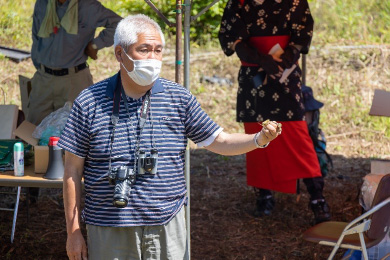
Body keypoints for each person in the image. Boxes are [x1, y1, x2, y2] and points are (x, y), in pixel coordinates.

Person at [58, 14, 281, 259]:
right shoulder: (89, 102)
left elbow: (220, 141)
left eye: (158, 50)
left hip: (166, 225)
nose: (153, 58)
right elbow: (72, 170)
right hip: (109, 227)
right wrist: (74, 232)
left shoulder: (178, 98)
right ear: (120, 54)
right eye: (144, 49)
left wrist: (259, 139)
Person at [218, 0, 331, 224]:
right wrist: (261, 59)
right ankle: (264, 195)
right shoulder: (239, 2)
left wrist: (287, 57)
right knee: (257, 136)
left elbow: (302, 32)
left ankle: (317, 198)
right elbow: (232, 39)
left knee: (297, 135)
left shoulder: (295, 1)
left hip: (285, 73)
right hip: (253, 77)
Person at [28, 0, 122, 203]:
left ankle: (79, 193)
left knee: (79, 135)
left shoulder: (89, 6)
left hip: (74, 77)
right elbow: (36, 35)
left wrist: (95, 44)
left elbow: (120, 25)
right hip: (44, 77)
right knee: (34, 130)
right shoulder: (43, 4)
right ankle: (30, 191)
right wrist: (40, 64)